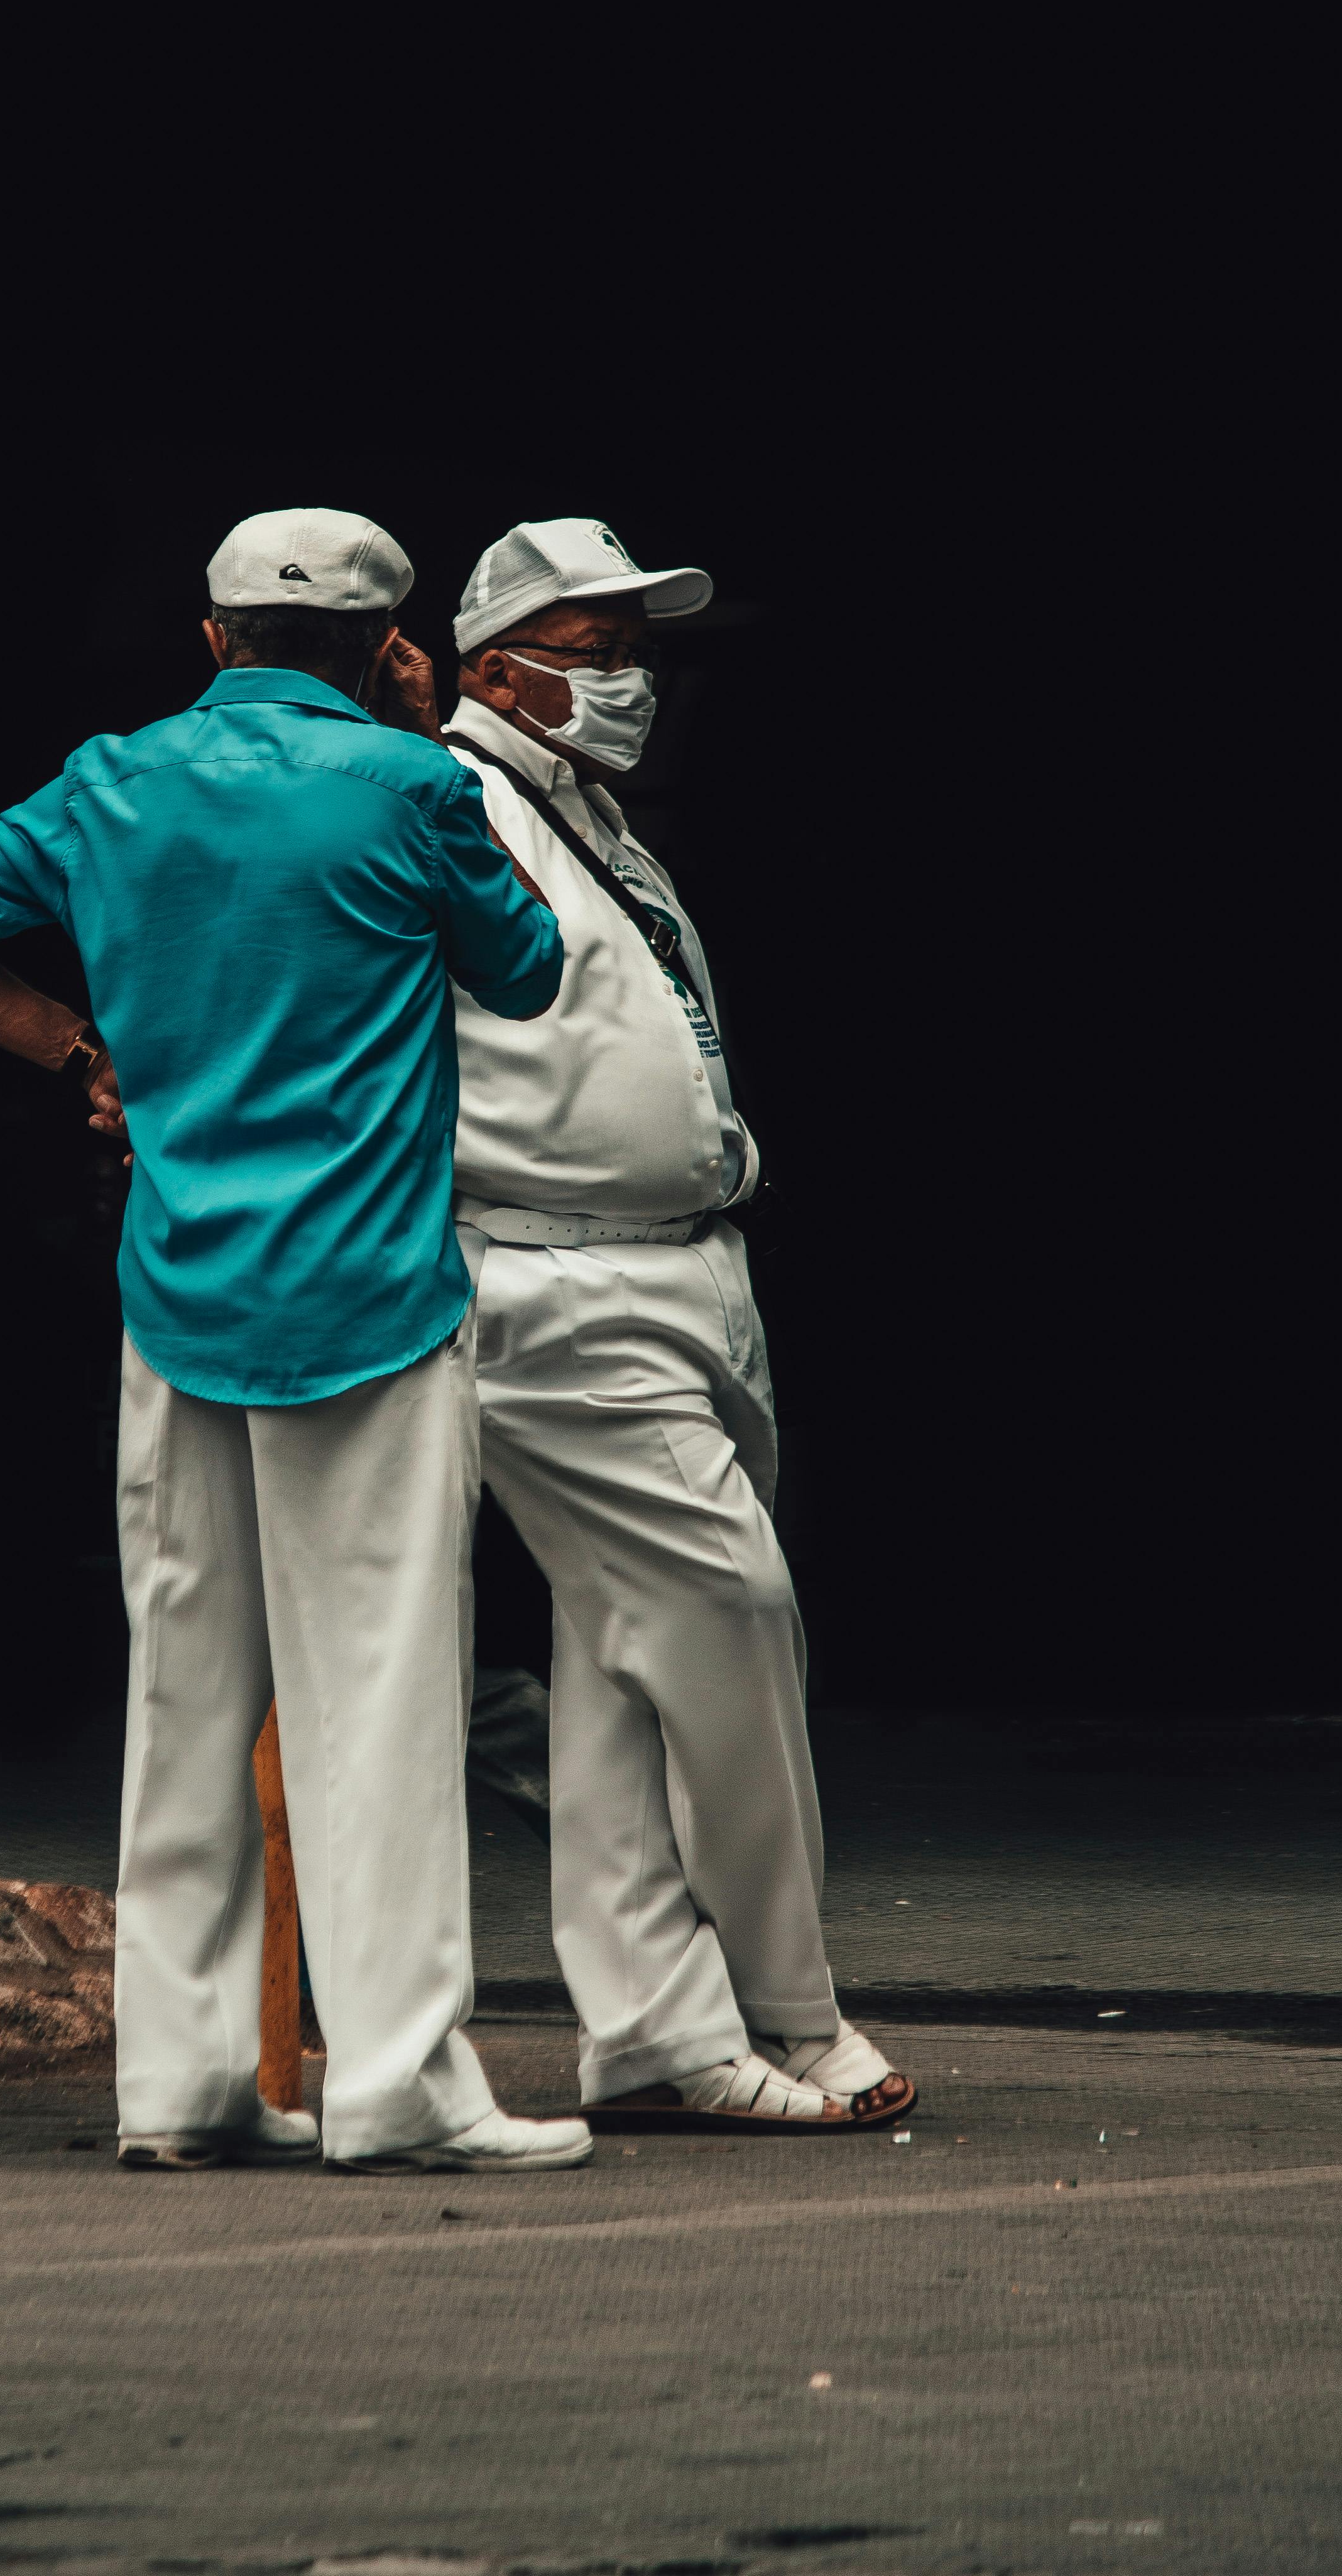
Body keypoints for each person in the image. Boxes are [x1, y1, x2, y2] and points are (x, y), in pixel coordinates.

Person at [0, 508, 592, 2174]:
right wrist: (414, 737)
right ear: (382, 646)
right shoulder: (413, 786)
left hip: (176, 1302)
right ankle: (399, 2082)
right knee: (381, 1701)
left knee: (185, 1699)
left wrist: (72, 1049)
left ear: (209, 640)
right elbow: (533, 974)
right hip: (375, 1304)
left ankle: (177, 2089)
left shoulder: (110, 783)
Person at [440, 516, 917, 2135]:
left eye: (638, 647)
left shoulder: (587, 815)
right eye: (595, 648)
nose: (629, 678)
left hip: (678, 1264)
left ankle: (650, 2031)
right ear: (496, 662)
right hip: (560, 1281)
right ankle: (794, 2005)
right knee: (728, 1611)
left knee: (625, 1665)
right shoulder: (457, 803)